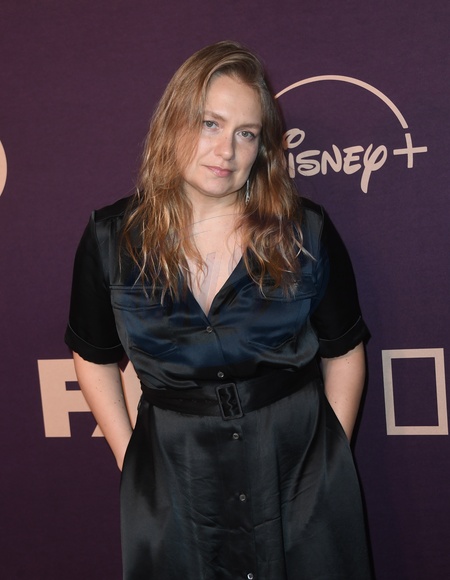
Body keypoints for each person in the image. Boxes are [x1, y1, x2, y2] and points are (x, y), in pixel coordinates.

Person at [65, 40, 372, 580]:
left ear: (263, 148)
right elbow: (92, 354)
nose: (225, 150)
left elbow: (344, 352)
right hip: (174, 479)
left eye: (246, 133)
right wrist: (131, 459)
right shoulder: (111, 239)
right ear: (174, 123)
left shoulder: (305, 231)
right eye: (210, 123)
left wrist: (327, 465)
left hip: (297, 472)